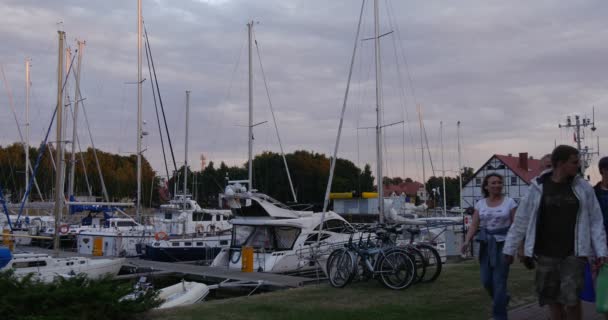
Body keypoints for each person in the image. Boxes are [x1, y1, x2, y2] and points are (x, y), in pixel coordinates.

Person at [503, 145, 608, 320]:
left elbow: (596, 222)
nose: (579, 166)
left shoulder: (583, 188)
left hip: (574, 253)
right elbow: (521, 220)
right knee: (553, 300)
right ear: (560, 163)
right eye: (574, 162)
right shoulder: (537, 188)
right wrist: (509, 249)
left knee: (572, 300)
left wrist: (601, 251)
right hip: (545, 255)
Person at [461, 173, 517, 320]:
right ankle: (503, 299)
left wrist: (514, 247)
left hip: (503, 245)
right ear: (486, 186)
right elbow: (474, 225)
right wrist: (467, 241)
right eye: (493, 183)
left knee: (499, 282)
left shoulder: (510, 202)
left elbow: (515, 226)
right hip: (486, 245)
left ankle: (499, 316)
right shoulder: (480, 204)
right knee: (486, 281)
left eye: (499, 182)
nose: (497, 185)